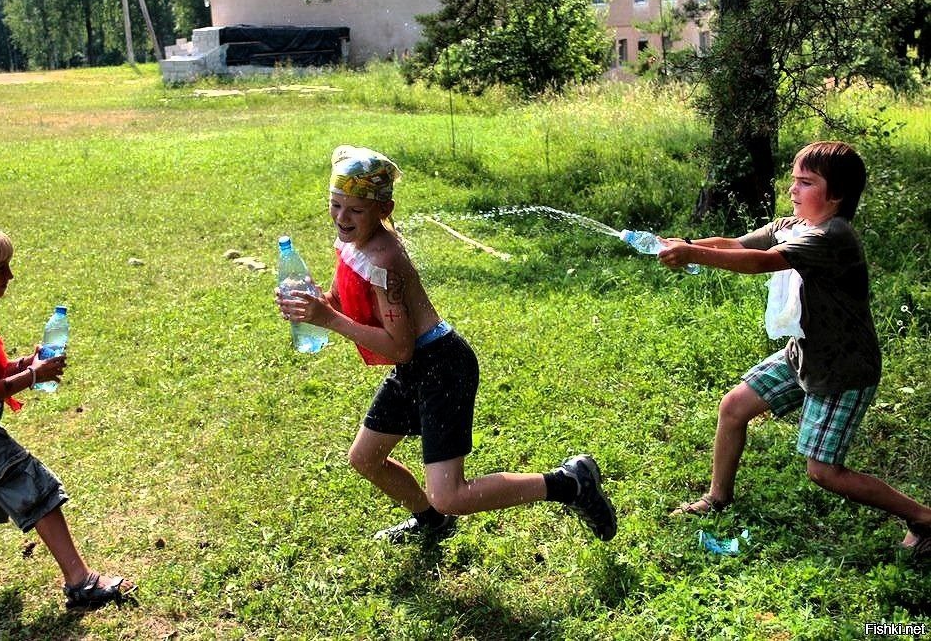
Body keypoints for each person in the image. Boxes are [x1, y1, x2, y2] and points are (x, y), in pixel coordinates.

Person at [276, 146, 617, 543]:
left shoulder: (385, 260)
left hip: (441, 365)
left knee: (450, 494)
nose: (341, 218)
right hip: (415, 367)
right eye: (335, 205)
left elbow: (399, 347)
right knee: (365, 459)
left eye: (355, 210)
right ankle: (432, 521)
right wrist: (314, 302)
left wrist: (328, 319)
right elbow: (339, 300)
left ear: (384, 210)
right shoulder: (352, 244)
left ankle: (570, 483)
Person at [658, 141, 930, 558]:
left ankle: (924, 518)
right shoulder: (794, 225)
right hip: (803, 352)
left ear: (836, 194)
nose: (793, 189)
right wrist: (686, 242)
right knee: (734, 406)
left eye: (806, 182)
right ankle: (717, 497)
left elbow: (761, 262)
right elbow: (738, 245)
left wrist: (692, 254)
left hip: (842, 369)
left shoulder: (832, 236)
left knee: (824, 472)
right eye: (793, 180)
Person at [0, 221, 137, 609]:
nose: (9, 275)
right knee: (34, 485)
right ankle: (81, 582)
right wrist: (33, 377)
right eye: (1, 268)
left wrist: (26, 363)